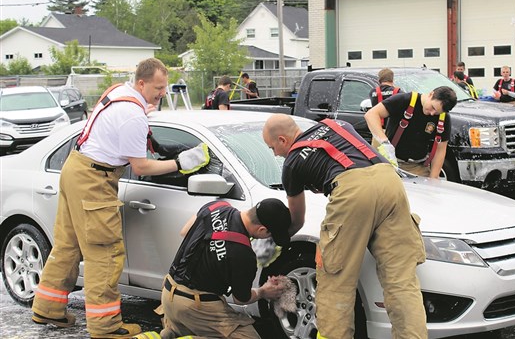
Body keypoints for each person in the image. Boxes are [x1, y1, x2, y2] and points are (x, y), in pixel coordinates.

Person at [31, 58, 210, 339]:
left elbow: (124, 123)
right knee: (106, 254)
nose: (163, 92)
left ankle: (48, 307)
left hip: (76, 169)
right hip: (94, 180)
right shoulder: (133, 115)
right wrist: (180, 164)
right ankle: (106, 327)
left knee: (68, 245)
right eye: (158, 87)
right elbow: (141, 167)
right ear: (142, 83)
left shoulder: (120, 94)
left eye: (164, 88)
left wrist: (144, 111)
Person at [263, 114, 427, 339]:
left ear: (282, 140)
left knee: (335, 280)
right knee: (401, 282)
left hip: (352, 192)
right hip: (390, 181)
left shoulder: (292, 162)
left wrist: (276, 244)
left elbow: (297, 219)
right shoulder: (337, 124)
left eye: (272, 148)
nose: (275, 154)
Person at [160, 199, 291, 339]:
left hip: (168, 293)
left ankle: (173, 332)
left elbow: (185, 231)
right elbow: (240, 299)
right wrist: (263, 291)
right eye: (270, 235)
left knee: (194, 324)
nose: (268, 238)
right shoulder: (244, 254)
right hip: (194, 305)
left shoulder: (216, 206)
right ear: (262, 230)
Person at [364, 86, 457, 178]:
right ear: (431, 94)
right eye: (432, 107)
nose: (432, 113)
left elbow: (440, 150)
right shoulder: (405, 100)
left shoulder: (443, 118)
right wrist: (384, 143)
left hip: (417, 167)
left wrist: (433, 179)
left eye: (437, 112)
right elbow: (371, 114)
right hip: (390, 163)